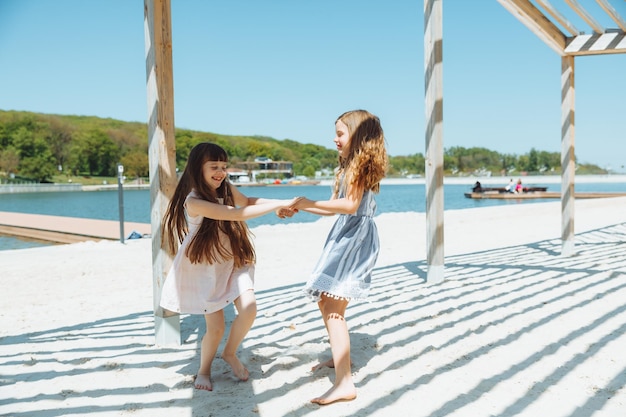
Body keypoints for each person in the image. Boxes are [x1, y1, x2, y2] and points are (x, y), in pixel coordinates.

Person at [159, 142, 299, 392]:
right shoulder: (194, 201)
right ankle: (203, 371)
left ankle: (230, 353)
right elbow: (238, 214)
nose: (221, 172)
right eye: (214, 166)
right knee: (216, 328)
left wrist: (283, 203)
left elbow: (247, 201)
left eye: (223, 166)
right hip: (205, 268)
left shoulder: (225, 187)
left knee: (249, 308)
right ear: (196, 169)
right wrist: (278, 205)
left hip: (233, 259)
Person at [290, 110, 388, 405]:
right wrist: (301, 206)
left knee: (333, 307)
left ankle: (344, 383)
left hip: (354, 239)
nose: (335, 139)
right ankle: (339, 359)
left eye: (340, 133)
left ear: (358, 137)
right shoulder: (350, 166)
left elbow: (349, 205)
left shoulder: (359, 167)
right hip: (346, 234)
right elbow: (335, 205)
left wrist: (307, 202)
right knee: (327, 300)